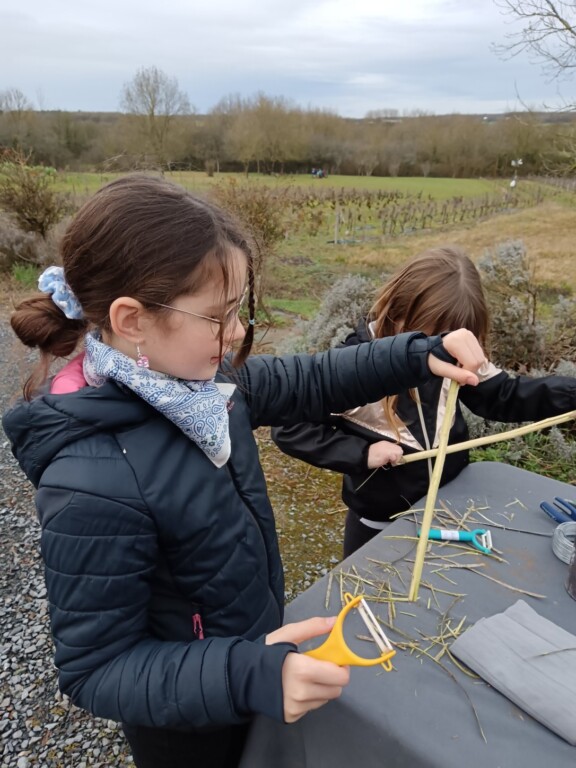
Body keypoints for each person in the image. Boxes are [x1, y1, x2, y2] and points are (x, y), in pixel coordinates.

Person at [2, 178, 485, 768]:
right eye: (217, 315)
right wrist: (245, 675)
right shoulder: (90, 479)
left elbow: (312, 379)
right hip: (190, 729)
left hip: (255, 656)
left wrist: (415, 353)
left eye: (237, 310)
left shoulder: (208, 388)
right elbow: (97, 668)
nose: (235, 333)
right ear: (132, 320)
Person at [272, 247, 576, 557]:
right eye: (428, 337)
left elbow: (504, 396)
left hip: (448, 511)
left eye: (451, 339)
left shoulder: (457, 354)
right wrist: (363, 453)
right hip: (377, 523)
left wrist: (571, 394)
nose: (441, 349)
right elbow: (291, 428)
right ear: (398, 312)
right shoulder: (353, 365)